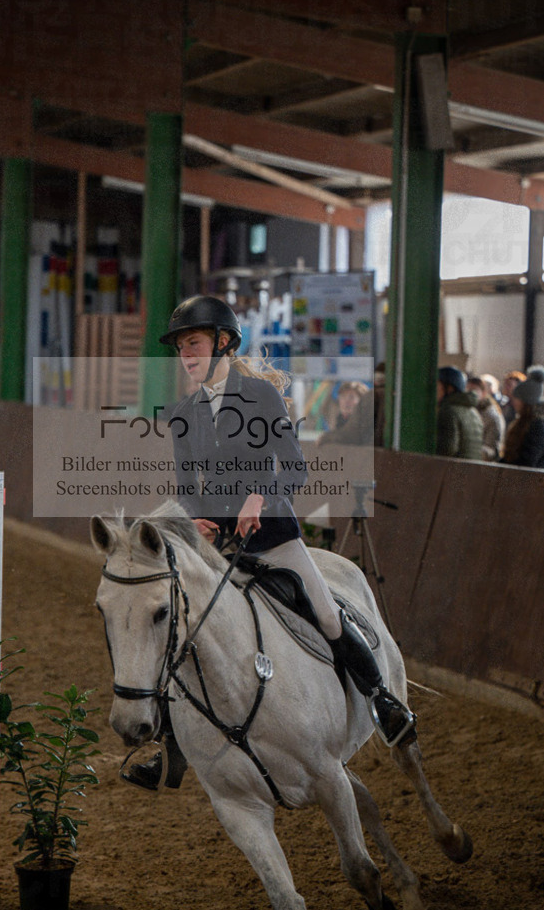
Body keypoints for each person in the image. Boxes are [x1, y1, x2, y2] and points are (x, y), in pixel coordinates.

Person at [125, 296, 415, 791]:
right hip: (218, 551)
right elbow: (186, 489)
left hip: (273, 536)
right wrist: (197, 521)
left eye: (193, 343)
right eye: (180, 348)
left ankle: (385, 703)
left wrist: (259, 496)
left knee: (326, 614)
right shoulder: (184, 414)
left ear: (223, 343)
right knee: (180, 626)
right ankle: (168, 746)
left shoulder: (260, 397)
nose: (186, 356)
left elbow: (295, 467)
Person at [436, 366, 483, 460]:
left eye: (438, 386)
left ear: (449, 388)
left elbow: (448, 449)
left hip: (455, 472)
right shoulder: (473, 412)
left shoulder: (449, 411)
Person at [501, 366, 544, 468]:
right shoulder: (521, 421)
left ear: (526, 402)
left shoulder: (538, 426)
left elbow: (529, 460)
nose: (514, 401)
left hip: (527, 479)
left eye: (517, 398)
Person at [466, 375, 505, 461]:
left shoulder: (491, 415)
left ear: (483, 393)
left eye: (474, 390)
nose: (469, 393)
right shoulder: (468, 410)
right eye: (467, 390)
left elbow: (492, 449)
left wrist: (470, 452)